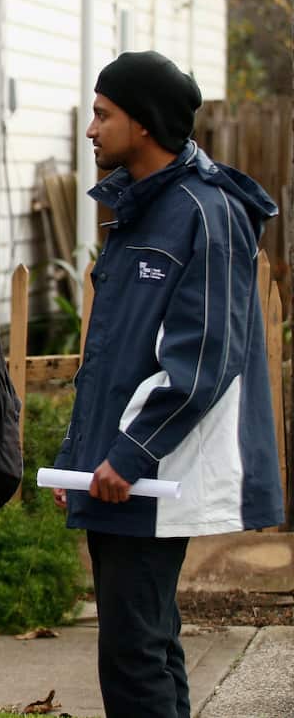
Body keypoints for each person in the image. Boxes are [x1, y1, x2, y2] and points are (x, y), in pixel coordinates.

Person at [51, 51, 284, 718]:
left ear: (145, 123)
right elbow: (112, 357)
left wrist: (129, 453)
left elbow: (203, 356)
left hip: (154, 470)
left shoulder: (205, 212)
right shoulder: (141, 209)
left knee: (134, 651)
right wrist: (80, 458)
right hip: (119, 465)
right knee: (145, 642)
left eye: (103, 115)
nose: (90, 129)